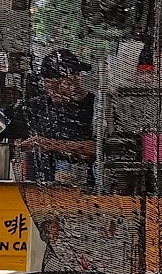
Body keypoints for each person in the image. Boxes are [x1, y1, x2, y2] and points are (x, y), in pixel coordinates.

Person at [8, 49, 97, 185]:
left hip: (83, 187)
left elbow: (98, 149)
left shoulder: (95, 107)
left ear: (76, 78)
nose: (53, 92)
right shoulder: (35, 106)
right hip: (38, 186)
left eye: (59, 86)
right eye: (48, 85)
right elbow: (9, 135)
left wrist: (48, 144)